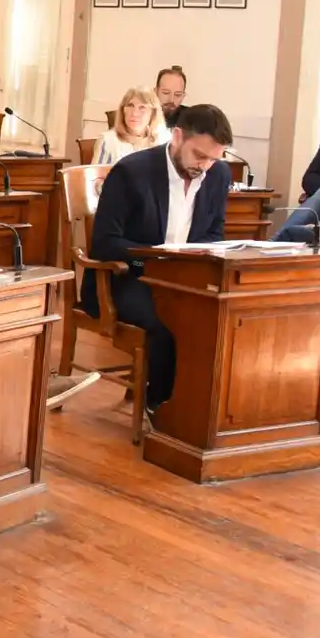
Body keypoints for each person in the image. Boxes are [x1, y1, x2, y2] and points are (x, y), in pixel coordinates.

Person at [84, 104, 234, 414]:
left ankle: (200, 412)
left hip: (184, 277)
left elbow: (213, 233)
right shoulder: (131, 172)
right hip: (128, 277)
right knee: (172, 322)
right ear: (178, 137)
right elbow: (104, 243)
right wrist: (156, 262)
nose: (206, 166)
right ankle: (162, 408)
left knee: (221, 319)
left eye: (214, 158)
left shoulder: (218, 174)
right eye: (200, 155)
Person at [275, 121, 320, 243]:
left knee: (310, 232)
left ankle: (273, 243)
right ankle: (274, 247)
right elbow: (309, 180)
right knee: (306, 232)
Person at [92, 86, 163, 165]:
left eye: (142, 107)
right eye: (130, 105)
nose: (134, 113)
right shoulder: (108, 141)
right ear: (123, 110)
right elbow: (96, 176)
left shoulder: (161, 142)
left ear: (153, 113)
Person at [155, 65, 186, 132]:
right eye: (166, 93)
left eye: (178, 95)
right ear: (156, 91)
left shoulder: (192, 119)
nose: (171, 100)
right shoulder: (142, 116)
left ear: (183, 96)